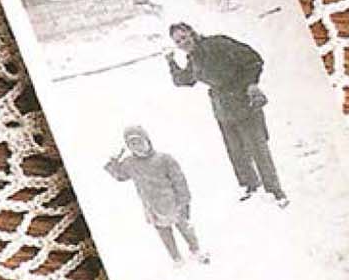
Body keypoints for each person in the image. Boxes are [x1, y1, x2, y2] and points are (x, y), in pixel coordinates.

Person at [168, 20, 288, 204]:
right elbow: (185, 80)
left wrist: (251, 84)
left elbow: (253, 59)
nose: (183, 43)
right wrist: (171, 62)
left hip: (243, 100)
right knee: (235, 150)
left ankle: (275, 191)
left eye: (184, 37)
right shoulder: (193, 58)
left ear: (192, 33)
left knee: (257, 148)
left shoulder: (218, 43)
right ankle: (250, 185)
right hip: (222, 107)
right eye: (178, 41)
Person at [104, 125, 206, 264]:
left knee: (185, 228)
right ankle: (176, 258)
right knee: (165, 234)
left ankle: (196, 250)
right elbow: (120, 176)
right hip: (152, 208)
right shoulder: (130, 163)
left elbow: (179, 181)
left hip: (173, 204)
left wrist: (184, 202)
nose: (137, 147)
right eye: (132, 144)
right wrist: (113, 162)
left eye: (139, 142)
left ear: (147, 140)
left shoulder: (164, 159)